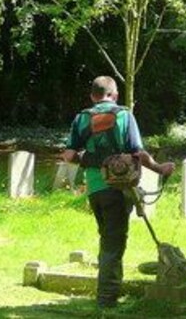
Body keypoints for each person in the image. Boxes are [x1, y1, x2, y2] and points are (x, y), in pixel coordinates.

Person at [61, 76, 175, 309]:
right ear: (114, 95)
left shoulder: (82, 118)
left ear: (93, 97)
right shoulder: (124, 115)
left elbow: (70, 156)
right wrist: (159, 168)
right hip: (118, 189)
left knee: (107, 237)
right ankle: (106, 301)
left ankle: (109, 292)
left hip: (94, 189)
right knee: (114, 242)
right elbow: (138, 152)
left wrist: (94, 161)